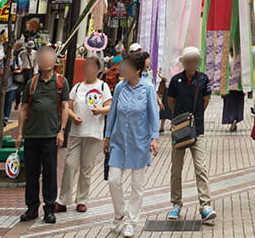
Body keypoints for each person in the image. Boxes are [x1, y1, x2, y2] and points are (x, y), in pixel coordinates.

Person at [104, 51, 159, 238]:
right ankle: (119, 213)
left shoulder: (148, 88)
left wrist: (154, 138)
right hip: (119, 141)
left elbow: (154, 115)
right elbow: (112, 113)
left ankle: (131, 222)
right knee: (113, 180)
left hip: (140, 142)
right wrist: (107, 136)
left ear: (136, 70)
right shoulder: (120, 87)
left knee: (137, 185)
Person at [17, 44, 70, 225]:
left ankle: (49, 208)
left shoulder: (61, 82)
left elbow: (65, 107)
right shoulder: (32, 83)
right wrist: (19, 133)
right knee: (31, 172)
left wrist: (62, 131)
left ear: (54, 61)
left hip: (50, 135)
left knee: (50, 173)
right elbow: (23, 108)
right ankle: (32, 208)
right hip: (31, 135)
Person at [166, 46, 216, 225]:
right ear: (183, 63)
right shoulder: (175, 80)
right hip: (179, 130)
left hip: (197, 129)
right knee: (176, 169)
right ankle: (176, 203)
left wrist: (193, 120)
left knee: (200, 166)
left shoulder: (203, 79)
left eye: (194, 60)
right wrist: (181, 120)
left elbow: (205, 101)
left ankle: (205, 205)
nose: (191, 63)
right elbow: (171, 101)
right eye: (188, 60)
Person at [56, 55, 111, 214]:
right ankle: (63, 199)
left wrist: (99, 110)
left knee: (87, 167)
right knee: (69, 165)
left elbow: (109, 106)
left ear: (98, 70)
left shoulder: (103, 87)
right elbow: (68, 107)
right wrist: (73, 117)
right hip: (77, 131)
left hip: (93, 132)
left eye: (93, 67)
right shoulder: (78, 87)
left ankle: (82, 200)